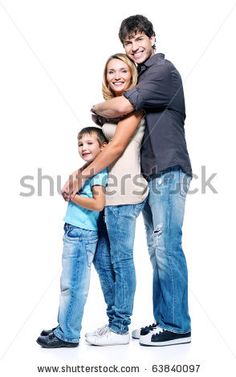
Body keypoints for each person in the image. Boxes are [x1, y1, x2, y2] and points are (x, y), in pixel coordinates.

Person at [64, 15, 192, 347]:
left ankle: (177, 325)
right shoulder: (143, 76)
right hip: (152, 175)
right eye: (127, 43)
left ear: (153, 39)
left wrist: (96, 108)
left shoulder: (162, 71)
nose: (134, 47)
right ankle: (165, 320)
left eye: (139, 39)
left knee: (166, 247)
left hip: (169, 170)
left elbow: (121, 109)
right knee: (155, 249)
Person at [86, 53, 149, 346]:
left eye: (123, 70)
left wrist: (80, 175)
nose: (117, 76)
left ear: (132, 74)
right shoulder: (112, 111)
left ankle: (121, 328)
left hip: (126, 192)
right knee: (102, 257)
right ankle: (114, 320)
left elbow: (116, 148)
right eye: (111, 71)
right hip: (107, 193)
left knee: (121, 260)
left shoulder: (134, 107)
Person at [36, 127, 108, 348]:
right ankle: (64, 326)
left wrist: (73, 197)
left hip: (82, 233)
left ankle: (68, 334)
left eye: (89, 143)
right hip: (74, 231)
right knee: (68, 284)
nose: (84, 148)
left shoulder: (98, 172)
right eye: (80, 144)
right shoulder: (86, 169)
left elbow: (98, 204)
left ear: (103, 147)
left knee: (74, 286)